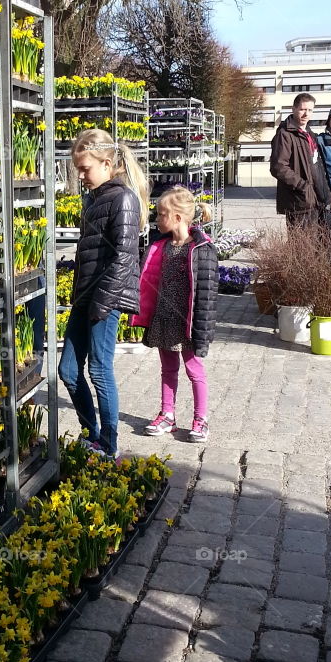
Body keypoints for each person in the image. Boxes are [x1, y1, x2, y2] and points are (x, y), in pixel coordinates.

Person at [58, 128, 148, 458]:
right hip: (86, 298)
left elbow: (125, 256)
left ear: (107, 163)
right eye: (78, 169)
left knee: (98, 370)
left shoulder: (122, 199)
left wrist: (102, 303)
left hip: (104, 301)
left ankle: (108, 445)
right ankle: (91, 432)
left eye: (85, 169)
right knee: (67, 370)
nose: (81, 176)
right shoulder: (95, 199)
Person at [131, 185, 217, 443]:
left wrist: (204, 327)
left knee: (194, 370)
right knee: (168, 369)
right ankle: (167, 414)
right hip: (165, 318)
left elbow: (208, 293)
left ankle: (201, 419)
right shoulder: (161, 246)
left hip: (189, 322)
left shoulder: (202, 249)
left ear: (178, 217)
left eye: (161, 214)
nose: (157, 219)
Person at [269, 92, 331, 230]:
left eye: (310, 110)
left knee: (316, 246)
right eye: (302, 109)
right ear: (293, 109)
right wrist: (303, 186)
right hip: (299, 201)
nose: (306, 114)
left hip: (315, 200)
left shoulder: (309, 134)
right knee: (300, 247)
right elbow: (278, 167)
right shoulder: (285, 134)